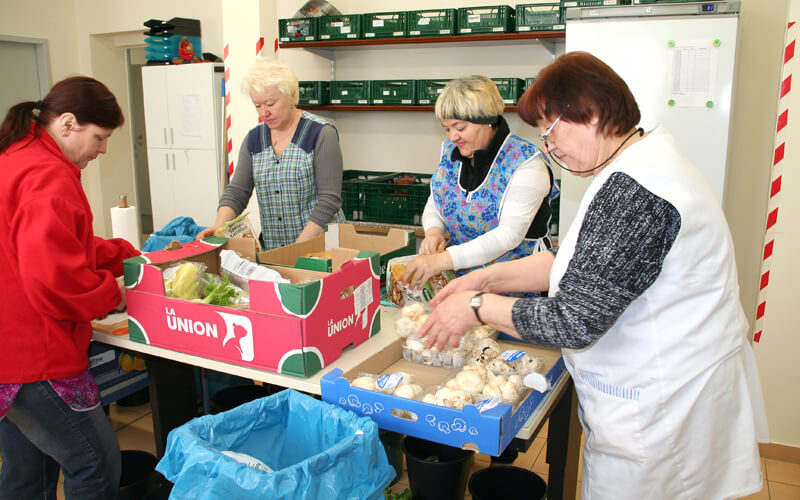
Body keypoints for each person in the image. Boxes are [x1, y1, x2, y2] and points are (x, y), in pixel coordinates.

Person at [418, 52, 769, 499]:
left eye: (551, 130)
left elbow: (574, 320)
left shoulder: (636, 191)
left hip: (663, 407)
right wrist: (480, 281)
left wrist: (473, 308)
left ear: (593, 114)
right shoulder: (636, 165)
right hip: (662, 393)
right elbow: (573, 262)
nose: (548, 146)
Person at [0, 76, 140, 498]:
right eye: (99, 138)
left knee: (27, 470)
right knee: (95, 462)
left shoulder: (17, 156)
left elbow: (58, 243)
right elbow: (56, 281)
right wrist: (114, 293)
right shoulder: (48, 179)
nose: (102, 150)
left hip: (8, 349)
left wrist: (121, 254)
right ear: (67, 124)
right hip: (34, 355)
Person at [399, 75, 554, 290]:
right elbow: (436, 201)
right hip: (462, 283)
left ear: (487, 120)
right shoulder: (450, 152)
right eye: (446, 128)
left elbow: (509, 235)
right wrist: (434, 231)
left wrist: (443, 260)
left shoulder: (525, 162)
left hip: (514, 285)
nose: (453, 136)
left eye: (460, 128)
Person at [197, 58, 345, 249]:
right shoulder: (254, 139)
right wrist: (219, 226)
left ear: (291, 95)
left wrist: (299, 247)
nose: (264, 112)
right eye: (257, 106)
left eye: (270, 104)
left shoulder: (321, 134)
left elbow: (329, 200)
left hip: (322, 246)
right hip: (274, 248)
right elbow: (237, 192)